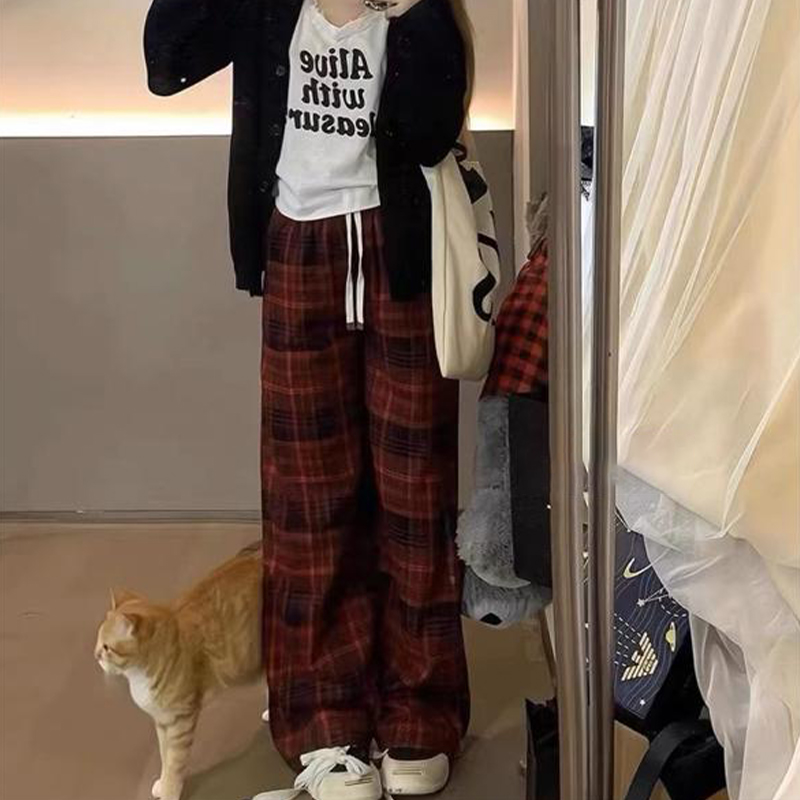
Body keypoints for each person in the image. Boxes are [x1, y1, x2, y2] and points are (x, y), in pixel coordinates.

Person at [144, 1, 473, 797]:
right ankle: (323, 722)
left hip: (400, 250)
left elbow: (431, 130)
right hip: (299, 244)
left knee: (415, 495)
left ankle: (421, 712)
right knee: (307, 502)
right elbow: (167, 59)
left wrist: (411, 10)